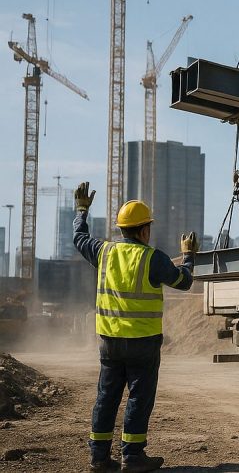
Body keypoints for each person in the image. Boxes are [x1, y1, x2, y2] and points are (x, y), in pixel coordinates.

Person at [72, 181, 198, 473]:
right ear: (144, 230)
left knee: (107, 397)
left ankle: (99, 458)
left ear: (120, 229)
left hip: (110, 342)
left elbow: (79, 237)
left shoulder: (103, 252)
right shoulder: (153, 258)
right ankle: (133, 456)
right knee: (139, 398)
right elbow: (184, 282)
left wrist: (81, 210)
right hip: (143, 343)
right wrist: (189, 256)